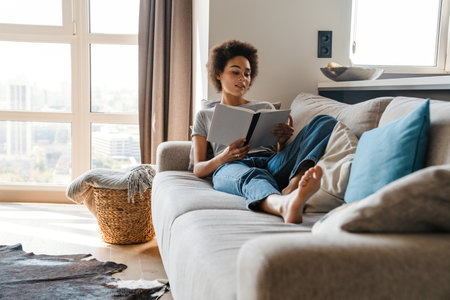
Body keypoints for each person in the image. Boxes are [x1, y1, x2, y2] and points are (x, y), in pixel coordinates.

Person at [191, 40, 337, 224]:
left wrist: (282, 141)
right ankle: (283, 205)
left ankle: (294, 183)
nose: (243, 78)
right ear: (218, 73)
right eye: (235, 72)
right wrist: (224, 157)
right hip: (231, 167)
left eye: (247, 74)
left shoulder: (265, 107)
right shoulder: (205, 116)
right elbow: (198, 169)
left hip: (270, 162)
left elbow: (277, 151)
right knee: (252, 175)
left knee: (325, 122)